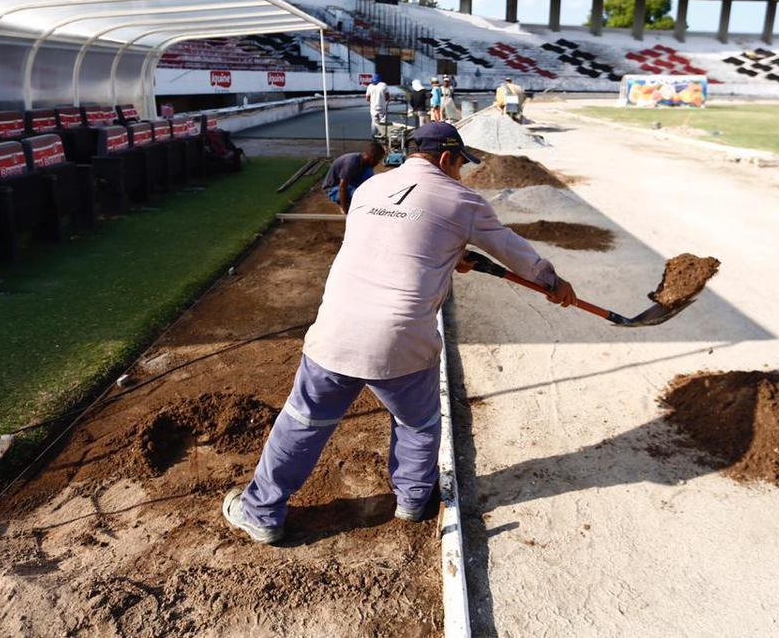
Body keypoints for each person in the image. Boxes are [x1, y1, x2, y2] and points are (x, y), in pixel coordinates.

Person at [223, 122, 577, 544]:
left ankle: (261, 511)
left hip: (335, 330)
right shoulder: (464, 201)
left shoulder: (369, 189)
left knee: (302, 421)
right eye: (460, 165)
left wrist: (448, 251)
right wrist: (553, 284)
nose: (461, 174)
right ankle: (412, 501)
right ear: (446, 159)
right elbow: (513, 250)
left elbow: (390, 240)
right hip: (400, 340)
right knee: (418, 424)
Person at [323, 142, 384, 214]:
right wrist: (345, 210)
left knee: (369, 181)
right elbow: (342, 188)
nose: (378, 162)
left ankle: (356, 202)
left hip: (348, 183)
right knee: (360, 194)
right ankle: (347, 204)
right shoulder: (352, 162)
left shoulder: (364, 162)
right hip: (333, 188)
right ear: (372, 157)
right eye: (379, 160)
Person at [366, 73, 389, 137]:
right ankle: (383, 135)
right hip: (382, 107)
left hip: (373, 108)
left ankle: (374, 137)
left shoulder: (370, 86)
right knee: (383, 121)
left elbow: (367, 98)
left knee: (374, 122)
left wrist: (372, 101)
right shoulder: (383, 85)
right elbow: (387, 97)